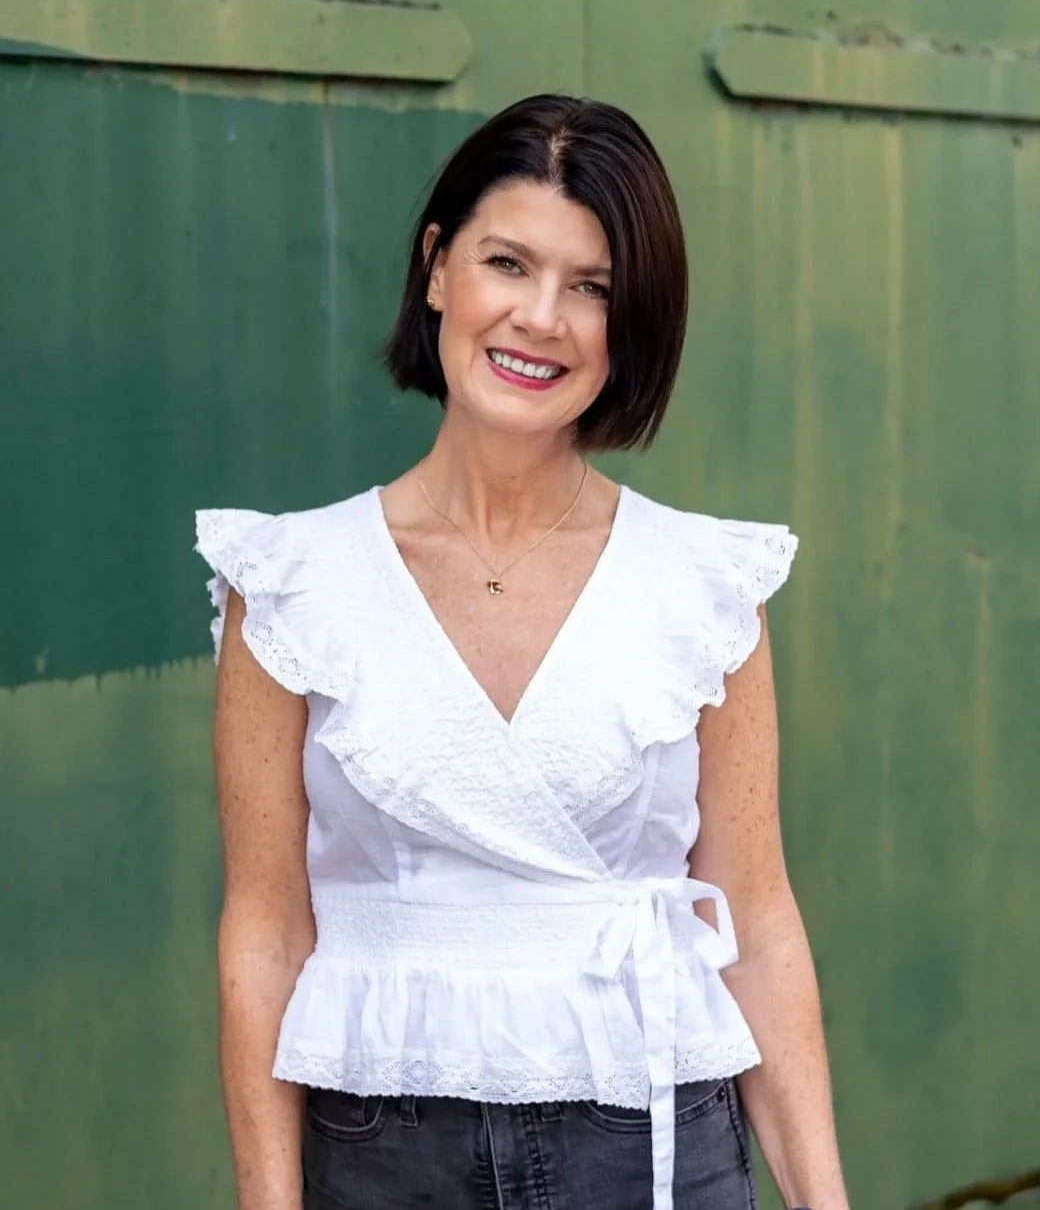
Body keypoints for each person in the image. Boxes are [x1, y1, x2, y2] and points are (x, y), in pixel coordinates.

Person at [196, 93, 848, 1210]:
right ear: (437, 269)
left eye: (592, 287)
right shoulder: (294, 585)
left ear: (630, 323)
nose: (541, 317)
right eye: (508, 263)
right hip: (381, 1150)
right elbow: (265, 929)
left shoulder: (703, 586)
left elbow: (757, 915)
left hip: (652, 1134)